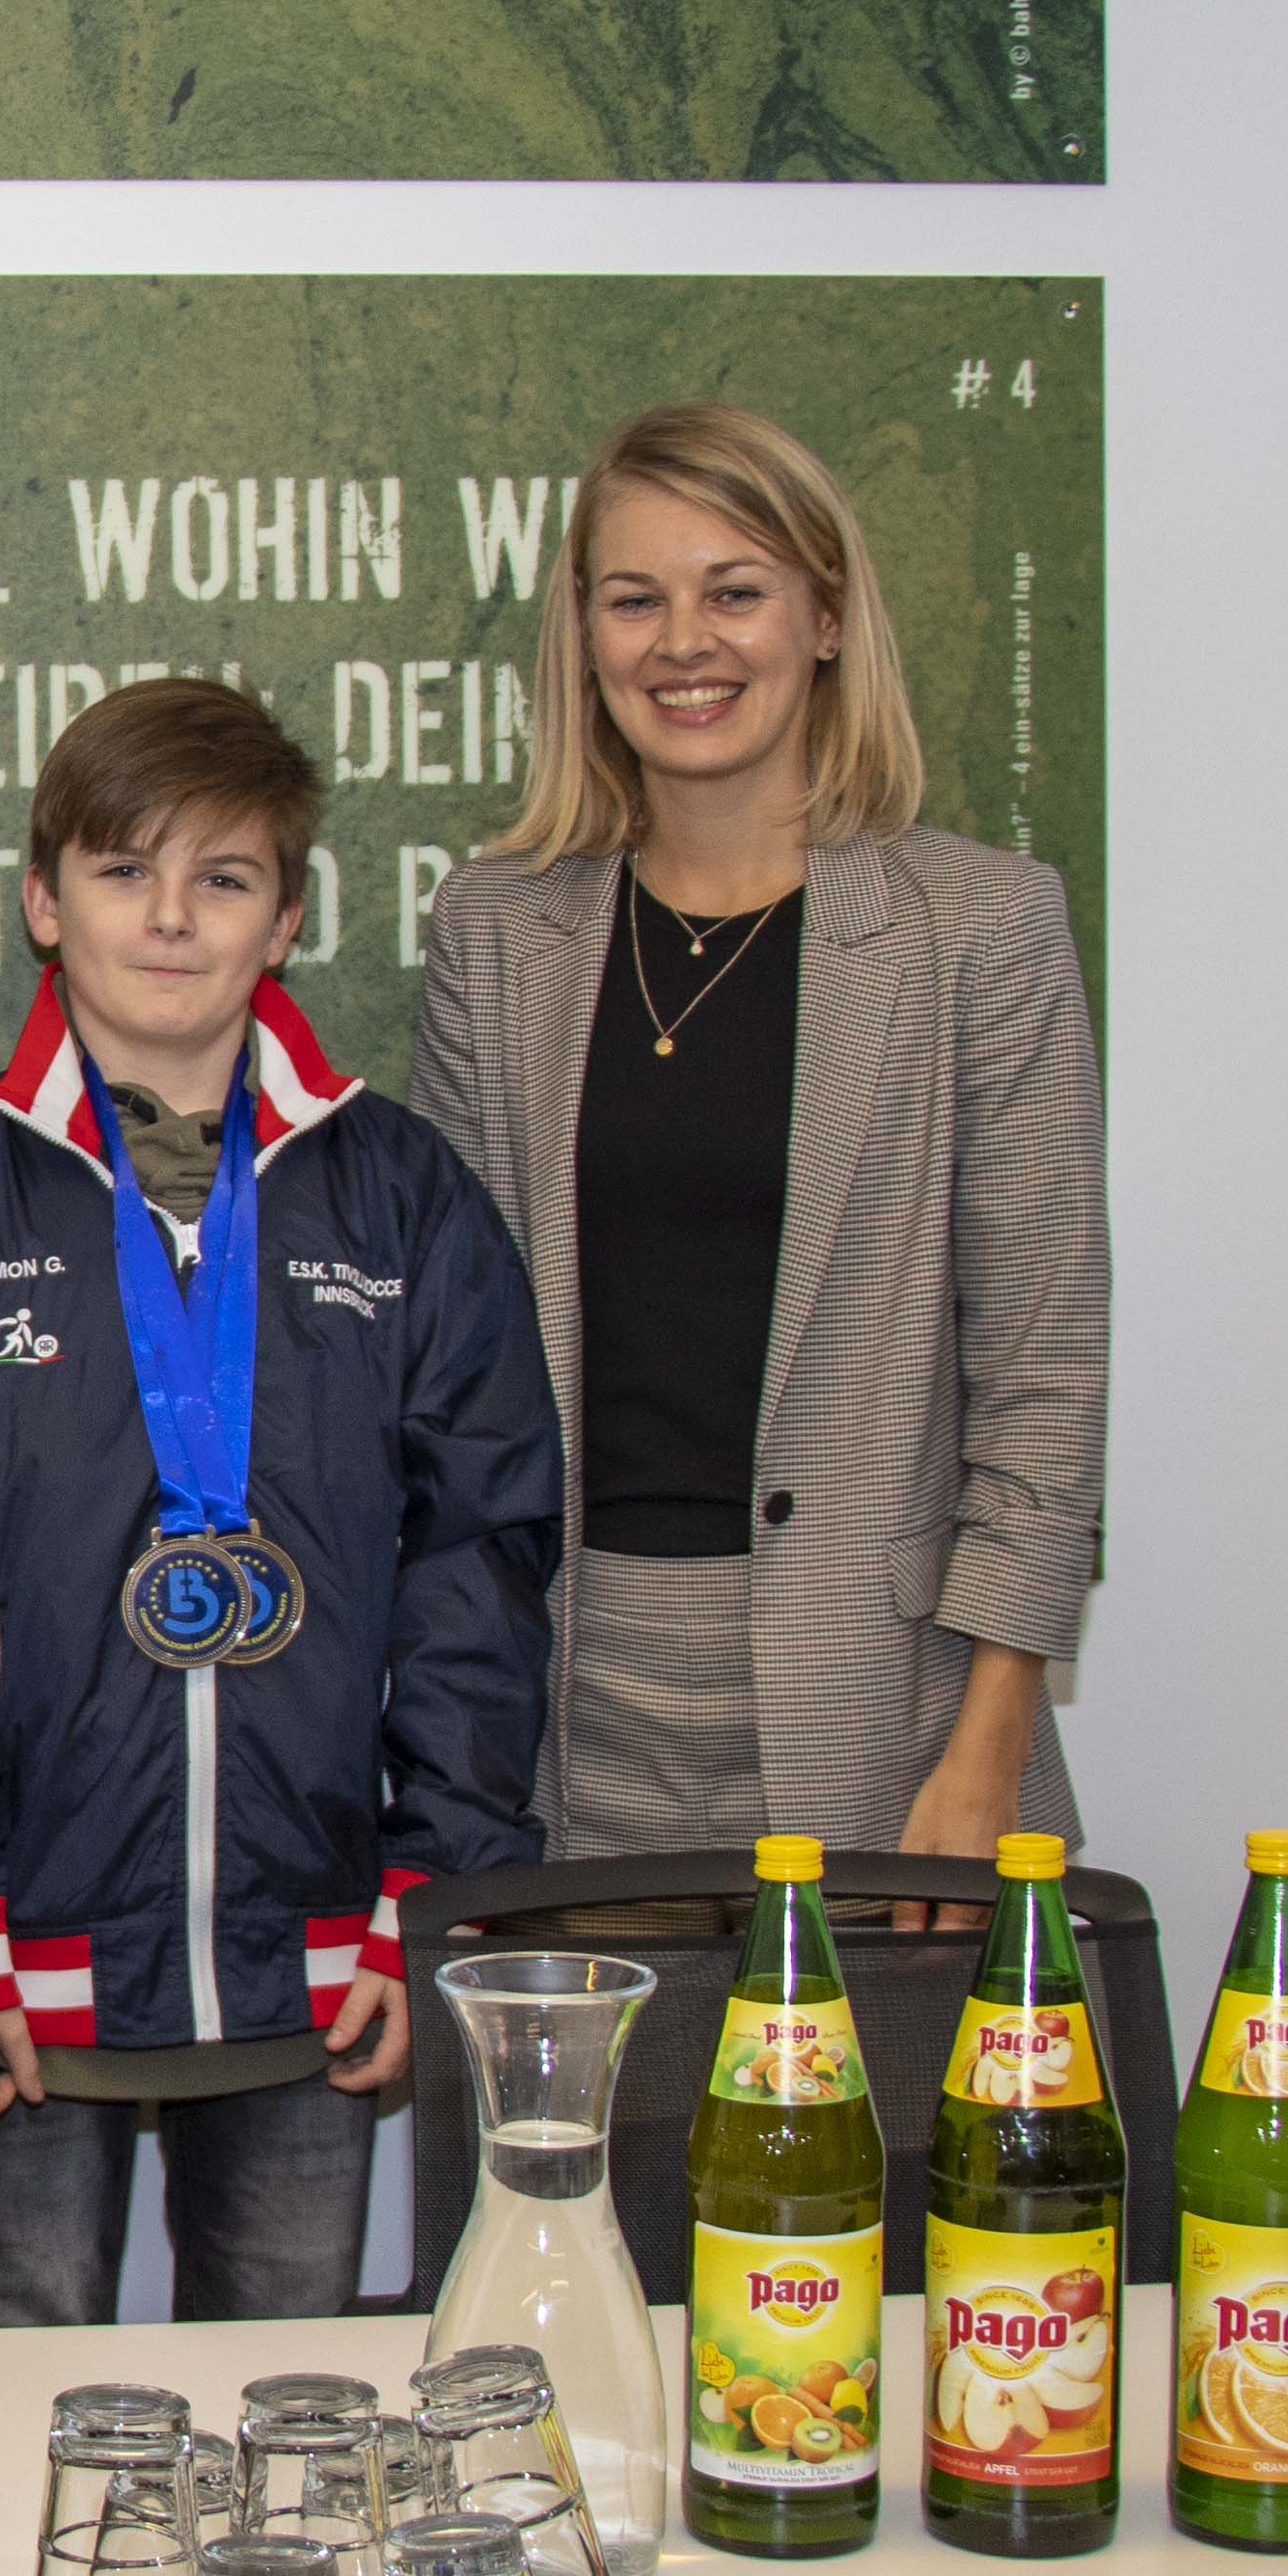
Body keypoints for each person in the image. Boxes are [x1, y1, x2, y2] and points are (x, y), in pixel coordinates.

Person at [0, 678, 562, 2322]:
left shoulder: (403, 1195)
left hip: (319, 1953)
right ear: (41, 899)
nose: (169, 917)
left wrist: (419, 1903)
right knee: (21, 2420)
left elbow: (482, 1567)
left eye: (223, 878)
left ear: (288, 915)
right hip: (21, 1954)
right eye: (120, 870)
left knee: (292, 2423)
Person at [405, 403, 1110, 1891]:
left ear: (829, 617)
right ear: (584, 638)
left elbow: (1046, 1376)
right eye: (635, 597)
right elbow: (455, 1380)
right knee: (601, 2135)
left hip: (896, 1714)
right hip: (564, 1710)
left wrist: (986, 1751)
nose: (686, 643)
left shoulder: (978, 932)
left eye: (735, 591)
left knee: (890, 2135)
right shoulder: (494, 934)